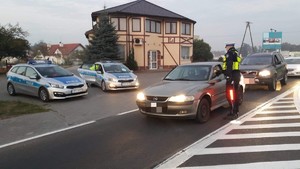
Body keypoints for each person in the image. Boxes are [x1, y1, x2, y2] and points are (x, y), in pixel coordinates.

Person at [222, 43, 241, 119]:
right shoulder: (236, 53)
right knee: (235, 94)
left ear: (229, 47)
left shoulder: (229, 54)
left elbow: (229, 65)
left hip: (231, 76)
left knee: (229, 95)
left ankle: (232, 112)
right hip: (236, 75)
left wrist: (228, 76)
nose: (226, 48)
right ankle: (236, 111)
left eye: (226, 47)